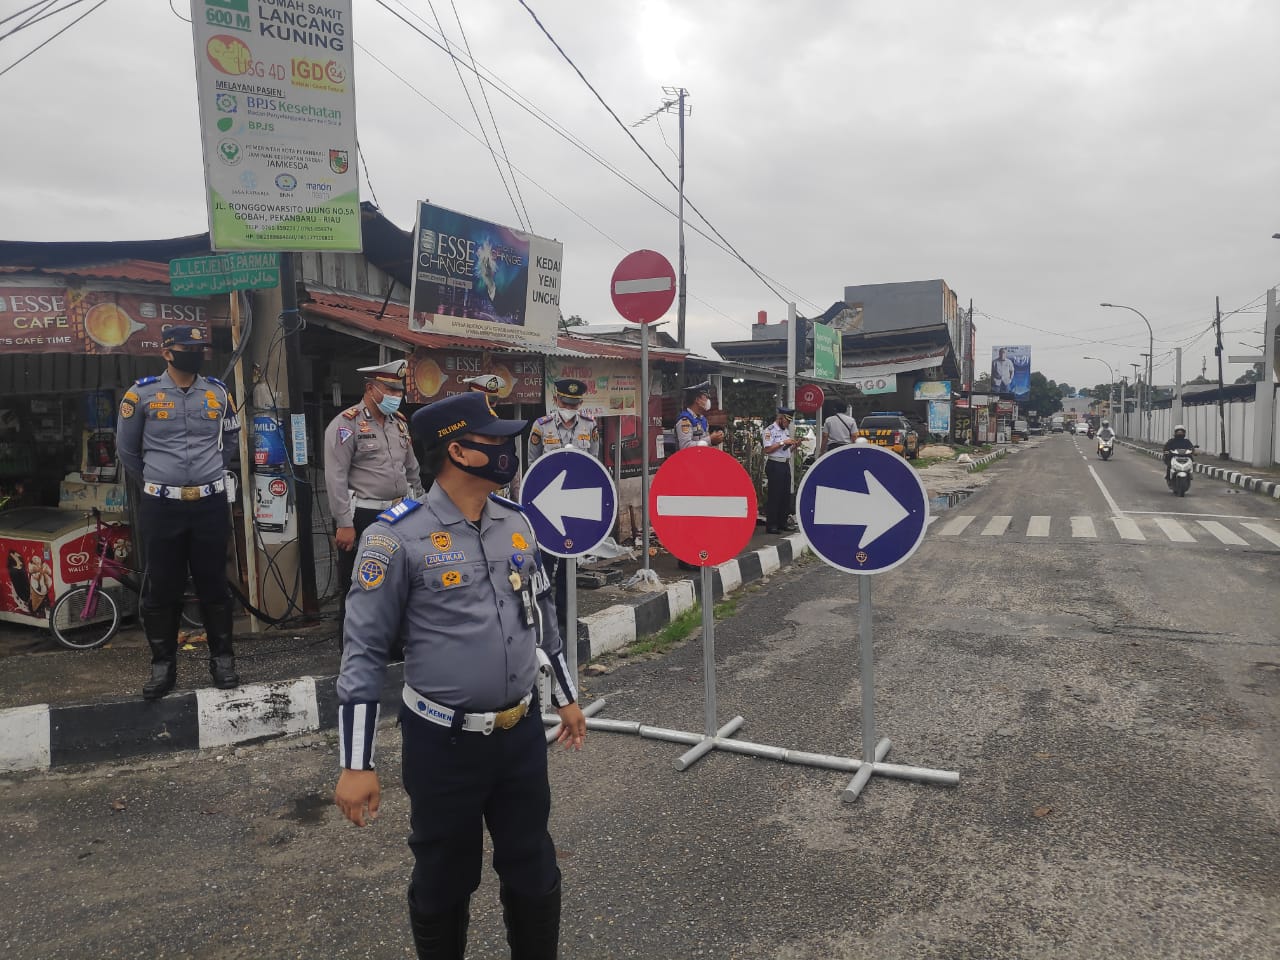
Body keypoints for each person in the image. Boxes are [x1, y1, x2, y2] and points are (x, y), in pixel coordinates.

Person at [333, 391, 586, 960]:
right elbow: (363, 653)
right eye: (494, 439)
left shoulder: (517, 525)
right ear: (460, 451)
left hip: (520, 736)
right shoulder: (395, 537)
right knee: (445, 878)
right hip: (442, 744)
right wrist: (356, 763)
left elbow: (542, 619)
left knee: (534, 870)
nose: (506, 448)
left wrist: (567, 698)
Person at [116, 325, 240, 700]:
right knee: (163, 587)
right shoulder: (141, 394)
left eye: (200, 348)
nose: (197, 354)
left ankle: (222, 660)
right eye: (188, 348)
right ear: (167, 352)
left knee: (213, 583)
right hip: (162, 505)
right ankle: (163, 666)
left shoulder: (218, 393)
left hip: (209, 503)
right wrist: (161, 480)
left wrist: (209, 471)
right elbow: (127, 451)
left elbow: (231, 438)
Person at [324, 359, 424, 652]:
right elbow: (336, 476)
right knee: (359, 582)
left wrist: (419, 507)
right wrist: (344, 522)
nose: (396, 395)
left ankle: (393, 643)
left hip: (399, 513)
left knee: (397, 581)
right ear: (371, 388)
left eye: (399, 389)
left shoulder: (399, 424)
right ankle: (353, 645)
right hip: (362, 515)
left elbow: (413, 470)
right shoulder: (346, 424)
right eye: (390, 388)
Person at [529, 379, 600, 638]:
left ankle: (566, 618)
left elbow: (594, 463)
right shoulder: (541, 427)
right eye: (565, 402)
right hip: (548, 507)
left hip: (575, 505)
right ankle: (543, 619)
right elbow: (533, 464)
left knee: (570, 566)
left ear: (580, 403)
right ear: (556, 400)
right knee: (545, 566)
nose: (569, 407)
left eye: (574, 403)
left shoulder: (590, 426)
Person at [461, 373, 522, 501]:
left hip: (500, 502)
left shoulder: (501, 429)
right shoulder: (459, 430)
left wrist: (518, 501)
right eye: (486, 401)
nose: (490, 406)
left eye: (493, 401)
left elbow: (512, 473)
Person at [761, 406, 798, 534]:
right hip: (774, 464)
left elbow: (785, 452)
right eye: (787, 421)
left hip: (784, 464)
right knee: (775, 495)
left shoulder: (785, 430)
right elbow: (767, 449)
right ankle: (772, 525)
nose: (788, 423)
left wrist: (793, 446)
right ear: (780, 418)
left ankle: (782, 522)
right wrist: (783, 442)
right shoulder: (769, 431)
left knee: (784, 496)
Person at [674, 380, 725, 450]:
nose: (708, 400)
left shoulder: (702, 419)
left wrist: (715, 440)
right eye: (706, 397)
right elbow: (685, 447)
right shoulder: (685, 420)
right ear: (697, 400)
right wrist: (710, 439)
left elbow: (704, 443)